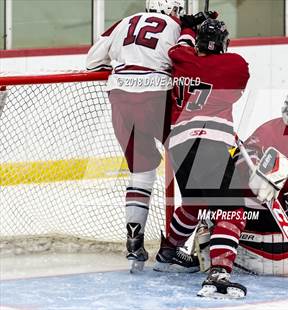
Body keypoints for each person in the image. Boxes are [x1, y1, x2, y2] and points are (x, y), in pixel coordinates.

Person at [197, 88, 288, 276]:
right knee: (244, 220)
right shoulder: (271, 131)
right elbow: (242, 159)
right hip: (247, 200)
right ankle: (212, 222)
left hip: (278, 203)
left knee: (277, 233)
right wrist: (259, 174)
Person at [152, 18, 250, 299]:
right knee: (232, 208)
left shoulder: (181, 59)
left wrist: (186, 27)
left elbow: (181, 47)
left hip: (179, 145)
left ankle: (168, 252)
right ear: (222, 44)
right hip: (211, 143)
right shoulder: (235, 64)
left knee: (195, 202)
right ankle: (219, 274)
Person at [85, 0, 186, 272]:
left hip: (120, 96)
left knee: (141, 169)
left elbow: (92, 61)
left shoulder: (124, 23)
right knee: (189, 162)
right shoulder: (177, 26)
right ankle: (183, 244)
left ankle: (134, 241)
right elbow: (185, 62)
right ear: (172, 9)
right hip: (157, 96)